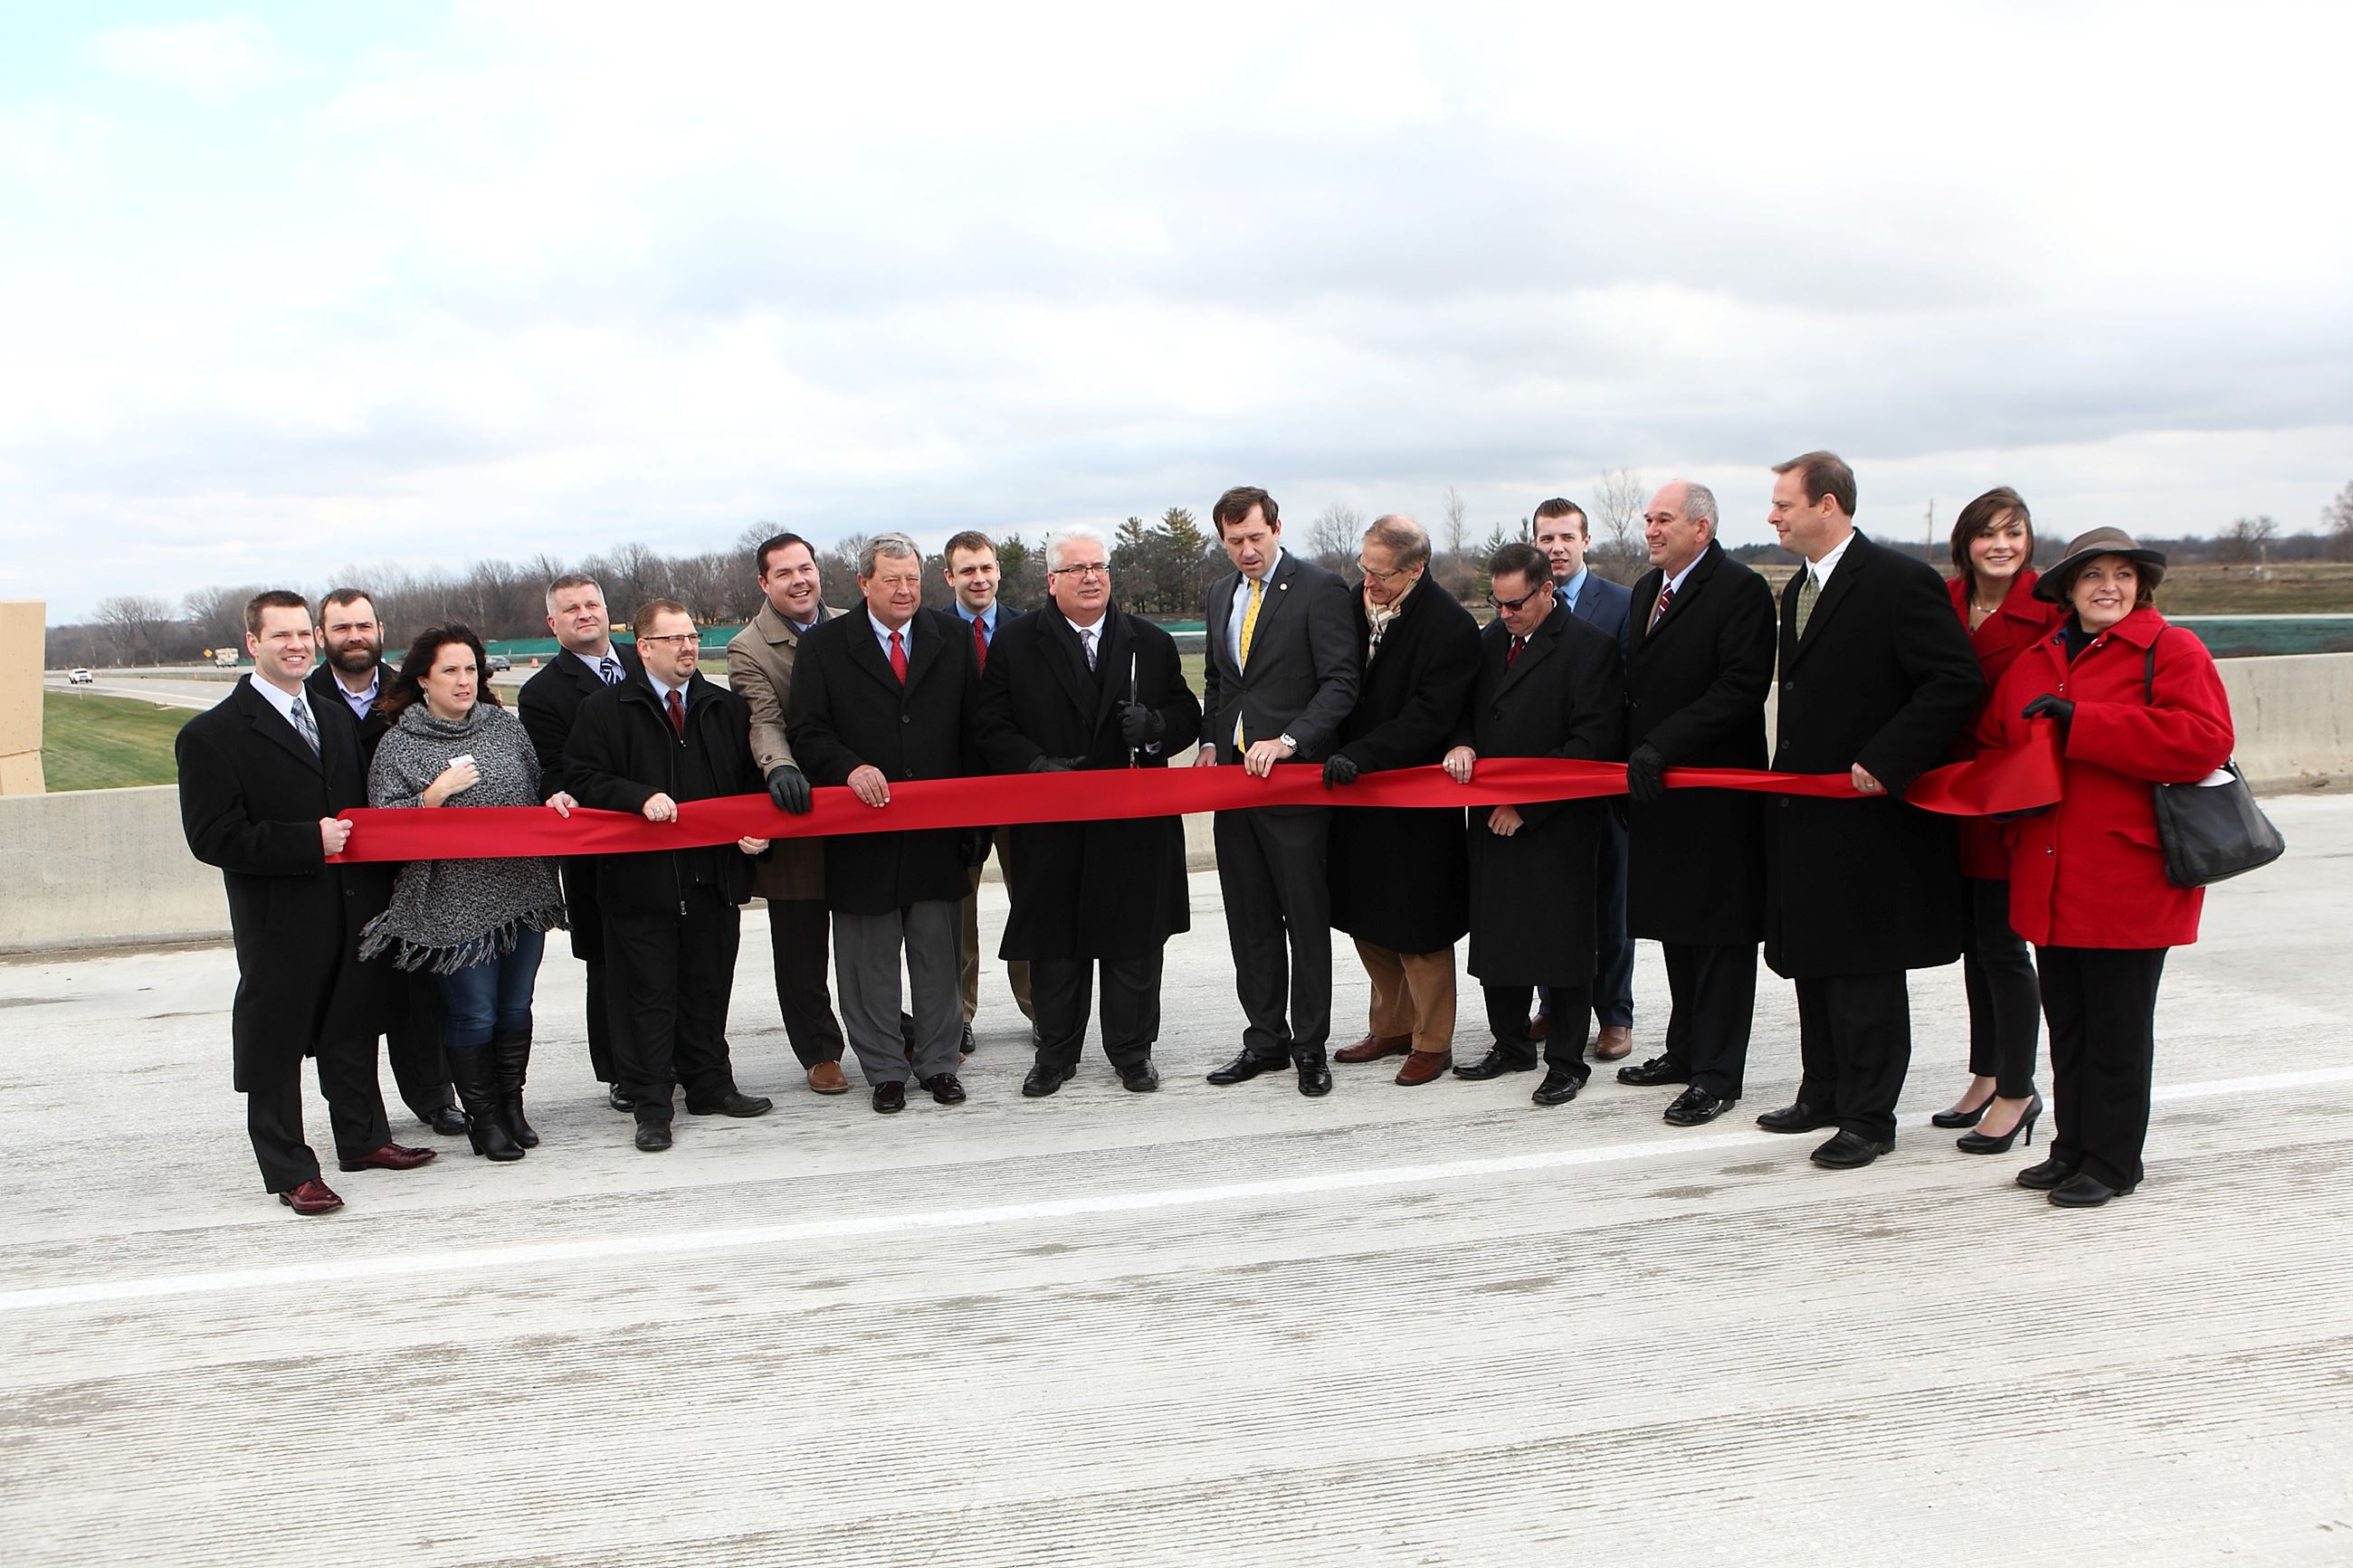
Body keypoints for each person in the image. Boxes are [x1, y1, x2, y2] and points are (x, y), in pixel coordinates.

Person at [1977, 528, 2234, 1207]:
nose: (2109, 587)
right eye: (2093, 576)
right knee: (2070, 1022)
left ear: (2142, 586)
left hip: (2128, 874)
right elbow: (1996, 740)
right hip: (2051, 870)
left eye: (2123, 574)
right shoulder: (2036, 658)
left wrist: (2083, 722)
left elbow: (2203, 741)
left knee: (2118, 1029)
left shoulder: (2172, 649)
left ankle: (2115, 1161)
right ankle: (2072, 1148)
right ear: (2067, 590)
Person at [1757, 451, 1984, 1169]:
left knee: (1865, 973)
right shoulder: (1798, 588)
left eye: (1784, 504)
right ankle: (1822, 1090)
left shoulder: (1897, 582)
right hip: (1809, 814)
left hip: (1871, 821)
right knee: (1815, 962)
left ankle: (1869, 1117)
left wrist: (1887, 760)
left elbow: (1953, 682)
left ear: (1828, 504)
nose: (1773, 516)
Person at [176, 590, 434, 1214]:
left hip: (348, 906)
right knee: (276, 1041)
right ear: (252, 644)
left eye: (302, 635)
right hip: (279, 917)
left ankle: (364, 1138)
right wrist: (307, 841)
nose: (295, 645)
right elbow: (212, 838)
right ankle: (290, 1168)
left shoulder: (333, 715)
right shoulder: (211, 735)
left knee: (350, 1025)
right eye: (280, 635)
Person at [973, 526, 1201, 1095]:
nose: (1091, 577)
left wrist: (1155, 731)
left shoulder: (1149, 641)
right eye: (1076, 569)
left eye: (1098, 566)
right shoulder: (1018, 642)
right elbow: (989, 724)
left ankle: (1131, 1052)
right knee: (1056, 947)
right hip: (1053, 823)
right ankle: (1055, 1054)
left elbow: (1186, 713)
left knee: (1134, 946)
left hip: (1133, 824)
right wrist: (1035, 765)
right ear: (1052, 581)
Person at [565, 601, 776, 1152]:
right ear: (645, 647)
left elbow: (748, 783)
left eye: (692, 637)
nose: (689, 647)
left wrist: (754, 832)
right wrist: (638, 798)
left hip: (712, 880)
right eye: (675, 639)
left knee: (707, 989)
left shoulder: (723, 707)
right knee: (647, 1000)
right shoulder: (606, 710)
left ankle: (710, 1086)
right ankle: (652, 1106)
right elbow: (584, 778)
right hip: (640, 887)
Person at [358, 624, 573, 1161]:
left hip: (521, 889)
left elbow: (536, 785)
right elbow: (383, 829)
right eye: (449, 671)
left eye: (471, 669)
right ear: (423, 681)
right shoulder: (399, 746)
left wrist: (555, 798)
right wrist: (432, 796)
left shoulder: (505, 727)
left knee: (515, 1007)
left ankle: (512, 1106)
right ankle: (483, 1119)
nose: (463, 681)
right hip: (451, 902)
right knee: (474, 1013)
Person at [787, 533, 984, 1114]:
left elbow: (973, 731)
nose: (904, 590)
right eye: (891, 579)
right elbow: (807, 732)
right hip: (861, 833)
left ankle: (940, 1064)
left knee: (938, 958)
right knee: (867, 963)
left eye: (912, 579)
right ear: (864, 584)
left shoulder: (950, 637)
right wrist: (847, 769)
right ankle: (884, 1071)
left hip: (935, 835)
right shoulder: (824, 647)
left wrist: (972, 819)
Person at [1615, 481, 1777, 1125]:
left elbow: (1739, 687)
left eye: (1663, 519)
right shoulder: (1644, 590)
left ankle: (1717, 1074)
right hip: (1658, 791)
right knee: (1678, 930)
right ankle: (1683, 1052)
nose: (1651, 530)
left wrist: (1662, 745)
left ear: (1702, 528)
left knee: (1719, 939)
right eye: (1648, 520)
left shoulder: (1739, 591)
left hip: (1714, 791)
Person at [1443, 543, 1624, 1107]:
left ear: (1547, 589)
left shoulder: (1590, 650)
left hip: (1557, 827)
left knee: (1562, 945)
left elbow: (1590, 746)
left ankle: (1567, 1060)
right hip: (1490, 823)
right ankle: (1512, 1043)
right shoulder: (1491, 640)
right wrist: (1462, 742)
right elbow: (1467, 711)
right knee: (1498, 938)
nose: (1505, 615)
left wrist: (1527, 807)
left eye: (1515, 604)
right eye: (1495, 604)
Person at [1195, 486, 1361, 1097]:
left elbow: (1341, 683)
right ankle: (1263, 1039)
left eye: (1255, 537)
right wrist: (1213, 740)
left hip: (1294, 785)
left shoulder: (1319, 589)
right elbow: (1219, 681)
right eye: (1234, 540)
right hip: (1234, 784)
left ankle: (1309, 1047)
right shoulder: (1219, 593)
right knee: (1250, 920)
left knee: (1304, 921)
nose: (1246, 550)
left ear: (1277, 528)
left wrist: (1290, 740)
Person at [1323, 515, 1481, 1086]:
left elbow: (1429, 716)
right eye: (1363, 568)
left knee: (1419, 924)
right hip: (1354, 792)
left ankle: (1432, 1040)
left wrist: (1363, 754)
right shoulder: (1352, 605)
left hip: (1413, 798)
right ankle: (1390, 1024)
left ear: (1415, 569)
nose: (1368, 581)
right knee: (1364, 912)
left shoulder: (1450, 627)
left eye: (1380, 573)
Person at [1930, 489, 2062, 1155]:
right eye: (1988, 534)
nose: (2001, 545)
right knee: (1977, 945)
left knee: (2006, 947)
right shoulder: (1947, 603)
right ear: (1967, 543)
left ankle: (2019, 1088)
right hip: (1956, 794)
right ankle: (1986, 1073)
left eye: (2014, 532)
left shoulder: (2049, 609)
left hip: (2014, 795)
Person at [307, 587, 463, 1137]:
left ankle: (434, 1097)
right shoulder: (304, 699)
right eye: (342, 628)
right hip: (337, 869)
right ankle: (360, 1121)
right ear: (322, 635)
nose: (355, 637)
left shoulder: (412, 692)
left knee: (420, 990)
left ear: (380, 631)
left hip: (410, 866)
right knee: (347, 998)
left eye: (364, 626)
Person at [725, 531, 853, 1096]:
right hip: (795, 807)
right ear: (764, 583)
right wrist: (779, 767)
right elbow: (763, 717)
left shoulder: (853, 622)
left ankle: (891, 1028)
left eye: (806, 568)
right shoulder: (749, 647)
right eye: (784, 573)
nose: (799, 580)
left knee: (869, 934)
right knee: (800, 943)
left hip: (858, 800)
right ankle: (819, 1049)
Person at [518, 574, 642, 1111]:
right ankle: (619, 1069)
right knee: (609, 961)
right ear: (553, 623)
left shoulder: (649, 656)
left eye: (592, 604)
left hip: (667, 834)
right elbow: (556, 772)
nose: (584, 614)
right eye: (571, 609)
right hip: (598, 846)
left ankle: (678, 1055)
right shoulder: (542, 693)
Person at [1531, 499, 1636, 1061]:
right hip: (1549, 784)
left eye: (1567, 537)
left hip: (1602, 781)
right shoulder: (1527, 606)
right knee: (1555, 902)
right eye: (1546, 538)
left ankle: (1615, 1013)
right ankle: (1554, 1005)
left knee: (1610, 905)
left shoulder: (1621, 604)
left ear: (1586, 541)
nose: (1557, 548)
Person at [942, 529, 1036, 1051]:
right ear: (950, 577)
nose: (979, 578)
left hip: (1019, 788)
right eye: (967, 570)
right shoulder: (931, 632)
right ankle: (958, 1014)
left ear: (998, 571)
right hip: (959, 793)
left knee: (1031, 900)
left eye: (987, 568)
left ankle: (1040, 1006)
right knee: (958, 910)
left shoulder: (1028, 630)